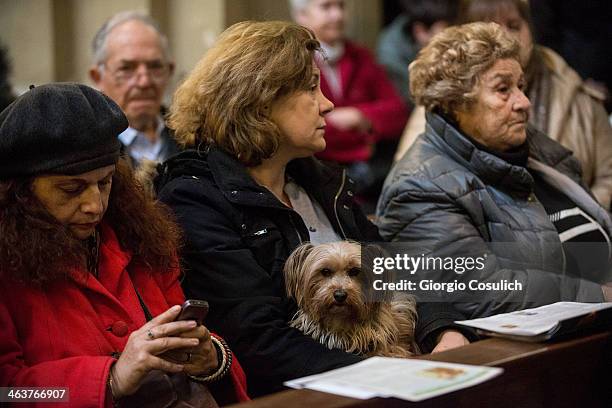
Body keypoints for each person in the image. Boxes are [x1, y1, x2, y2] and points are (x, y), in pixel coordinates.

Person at [154, 20, 474, 397]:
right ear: (259, 102)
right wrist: (383, 371)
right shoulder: (197, 198)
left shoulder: (317, 181)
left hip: (385, 377)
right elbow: (258, 343)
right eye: (310, 88)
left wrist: (445, 330)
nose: (328, 103)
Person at [0, 83, 248, 407]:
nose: (95, 205)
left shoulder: (138, 239)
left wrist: (210, 357)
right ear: (20, 193)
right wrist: (113, 379)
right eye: (71, 189)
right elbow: (9, 394)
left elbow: (193, 344)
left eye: (104, 183)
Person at [376, 22, 612, 319]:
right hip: (531, 353)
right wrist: (600, 296)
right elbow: (478, 291)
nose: (523, 102)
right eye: (503, 89)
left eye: (521, 87)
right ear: (454, 103)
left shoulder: (535, 151)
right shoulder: (419, 187)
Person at [394, 0, 612, 209]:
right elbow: (415, 181)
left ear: (531, 28)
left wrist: (584, 219)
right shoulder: (443, 103)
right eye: (486, 27)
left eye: (514, 25)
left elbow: (607, 174)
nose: (503, 37)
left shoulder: (578, 94)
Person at [289, 0, 408, 201]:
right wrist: (362, 144)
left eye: (341, 6)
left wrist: (359, 116)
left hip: (366, 185)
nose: (337, 15)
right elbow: (296, 128)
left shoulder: (360, 55)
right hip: (311, 183)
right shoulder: (291, 62)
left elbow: (398, 112)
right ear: (302, 15)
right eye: (326, 7)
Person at [89, 11, 180, 168]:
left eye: (155, 66)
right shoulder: (86, 150)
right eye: (127, 69)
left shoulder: (193, 140)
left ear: (170, 71)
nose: (144, 82)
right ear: (98, 77)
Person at [377, 0, 459, 107]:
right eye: (442, 40)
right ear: (419, 32)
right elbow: (412, 98)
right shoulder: (391, 54)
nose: (448, 46)